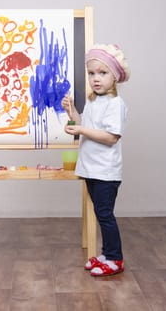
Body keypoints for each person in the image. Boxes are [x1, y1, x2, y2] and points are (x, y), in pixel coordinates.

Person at [62, 44, 130, 277]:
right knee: (101, 213)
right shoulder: (93, 101)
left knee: (105, 214)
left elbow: (111, 137)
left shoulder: (115, 104)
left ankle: (115, 259)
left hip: (105, 172)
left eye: (103, 73)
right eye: (91, 73)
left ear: (115, 77)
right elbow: (86, 128)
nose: (95, 79)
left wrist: (81, 128)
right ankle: (107, 252)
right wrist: (73, 114)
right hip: (91, 169)